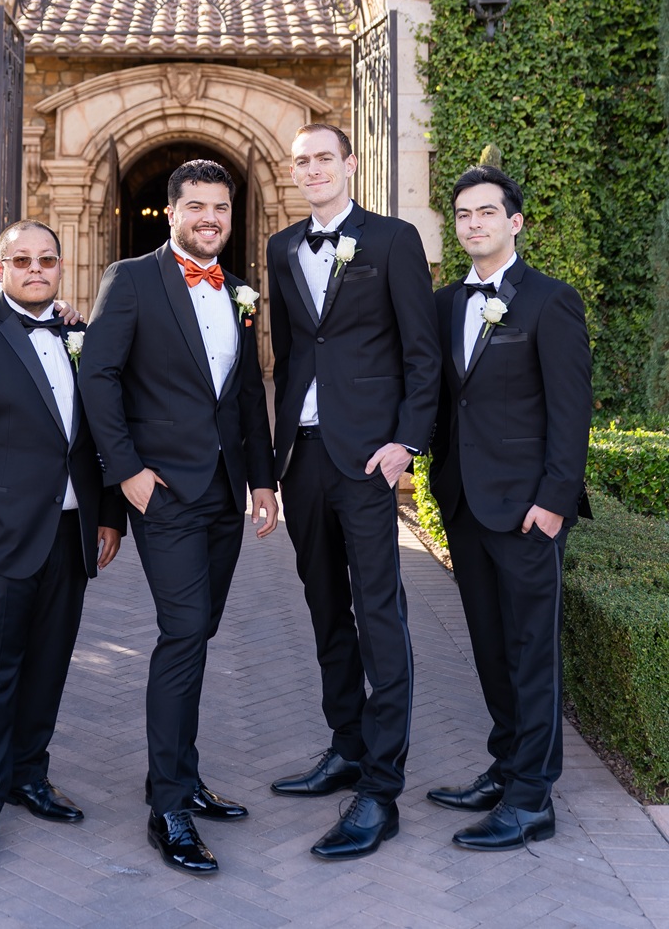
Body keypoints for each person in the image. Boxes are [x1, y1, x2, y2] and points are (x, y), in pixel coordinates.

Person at [78, 159, 278, 876]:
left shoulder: (238, 290)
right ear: (172, 212)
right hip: (162, 493)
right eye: (196, 206)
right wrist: (127, 471)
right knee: (184, 631)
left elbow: (245, 390)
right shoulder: (132, 279)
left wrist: (264, 480)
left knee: (199, 633)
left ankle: (181, 774)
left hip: (225, 492)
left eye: (221, 207)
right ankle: (168, 806)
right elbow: (98, 375)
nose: (210, 219)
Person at [0, 220, 125, 874]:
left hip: (69, 535)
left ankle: (27, 775)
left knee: (47, 667)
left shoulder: (79, 336)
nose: (37, 269)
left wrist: (108, 513)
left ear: (61, 267)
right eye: (23, 260)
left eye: (47, 260)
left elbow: (99, 433)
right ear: (0, 267)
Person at [267, 123, 440, 861]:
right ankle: (345, 745)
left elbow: (422, 352)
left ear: (350, 164)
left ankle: (381, 786)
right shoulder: (281, 247)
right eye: (301, 161)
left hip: (370, 458)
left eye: (323, 158)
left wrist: (408, 442)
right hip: (303, 458)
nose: (312, 169)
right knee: (324, 606)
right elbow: (289, 350)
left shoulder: (394, 240)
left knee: (379, 612)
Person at [426, 165, 591, 851]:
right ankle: (505, 766)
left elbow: (571, 410)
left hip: (527, 511)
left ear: (514, 222)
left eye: (487, 212)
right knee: (491, 648)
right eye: (464, 214)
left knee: (531, 652)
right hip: (465, 505)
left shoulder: (551, 301)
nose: (474, 224)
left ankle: (531, 800)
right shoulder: (444, 303)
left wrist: (554, 501)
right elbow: (442, 398)